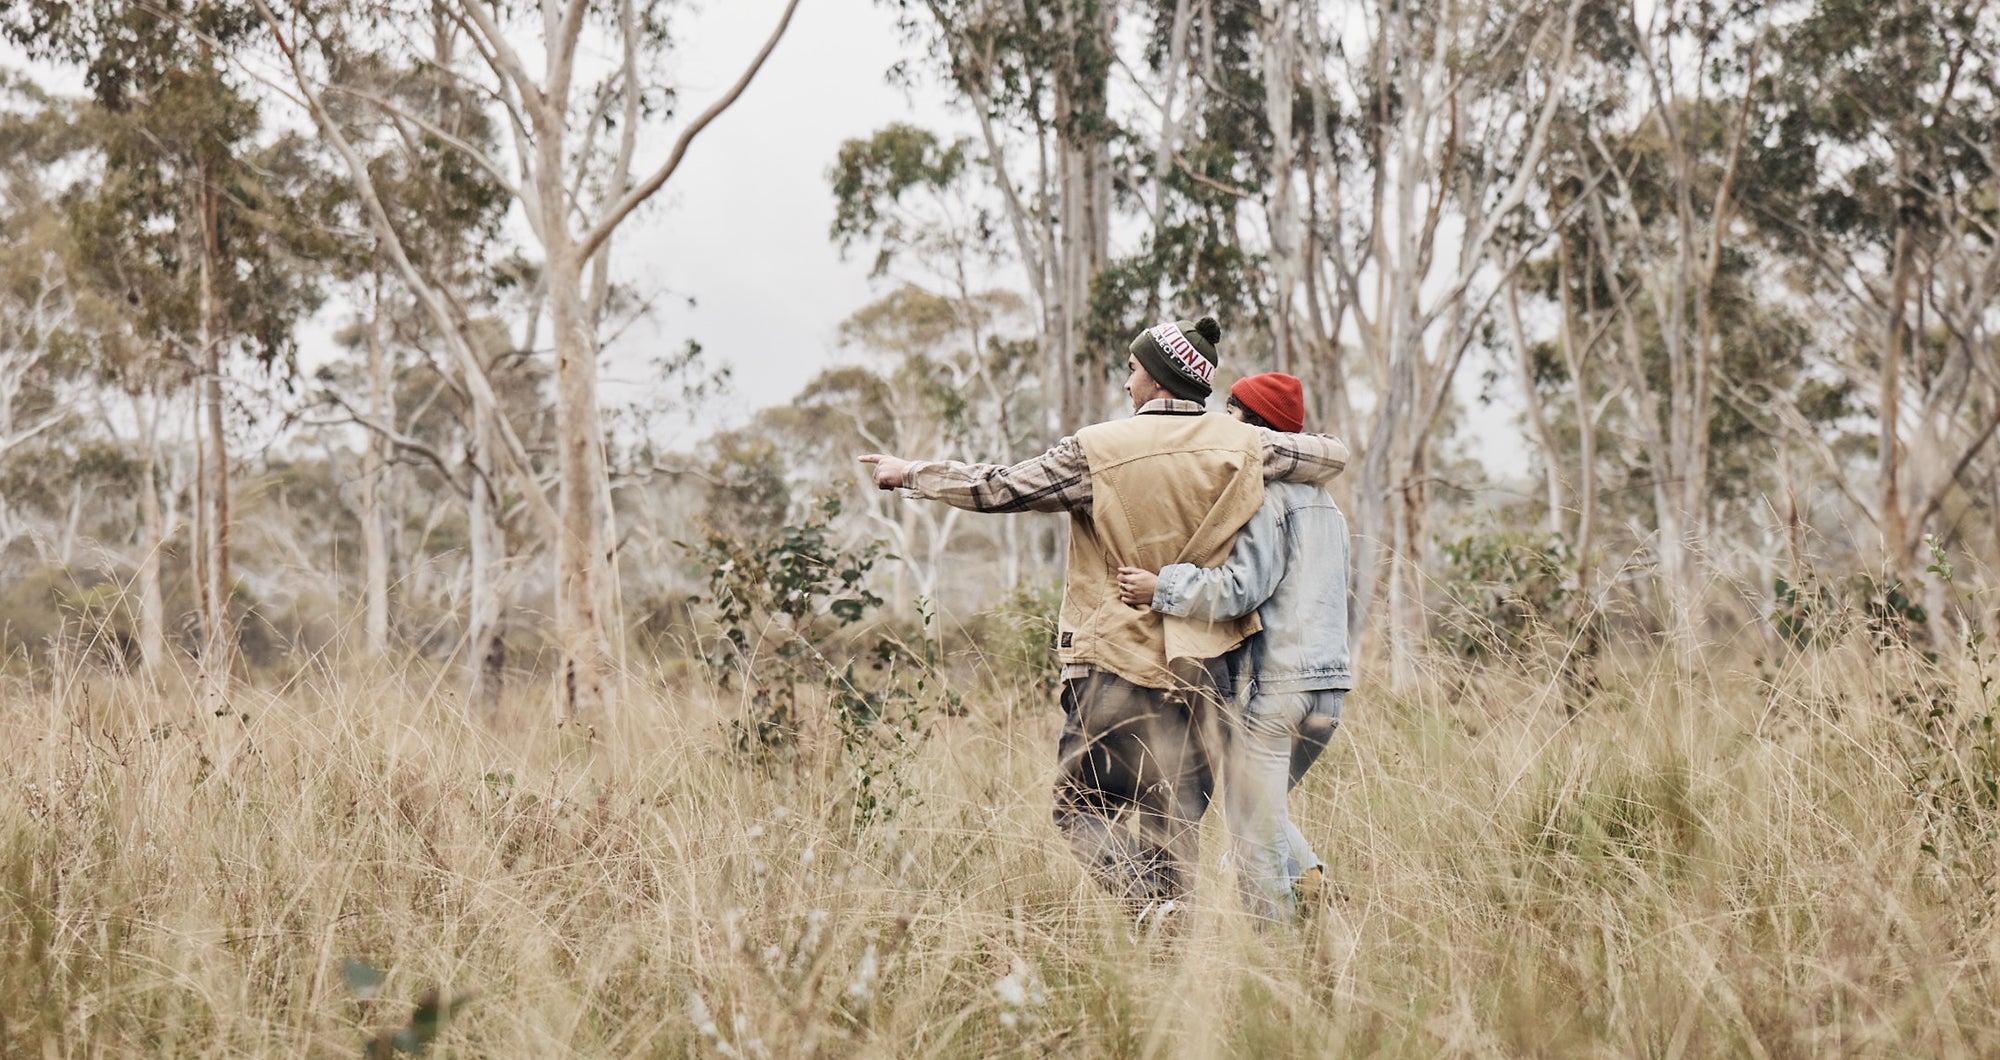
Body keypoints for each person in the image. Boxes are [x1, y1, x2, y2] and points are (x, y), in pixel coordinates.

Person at [859, 320, 1349, 916]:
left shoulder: (1096, 449)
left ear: (1158, 377)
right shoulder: (1246, 447)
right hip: (1206, 673)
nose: (1126, 382)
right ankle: (1173, 963)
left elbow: (1001, 487)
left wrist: (913, 473)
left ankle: (1150, 909)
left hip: (1117, 664)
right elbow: (1324, 453)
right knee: (1174, 830)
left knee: (1081, 809)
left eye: (1133, 369)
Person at [1115, 372, 1351, 923]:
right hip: (1330, 690)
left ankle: (1278, 966)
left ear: (1252, 422)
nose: (1226, 422)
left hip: (1276, 693)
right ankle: (1313, 891)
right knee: (1258, 816)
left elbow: (1243, 588)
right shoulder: (1328, 506)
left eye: (1234, 412)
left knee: (1252, 844)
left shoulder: (1265, 497)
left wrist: (1162, 588)